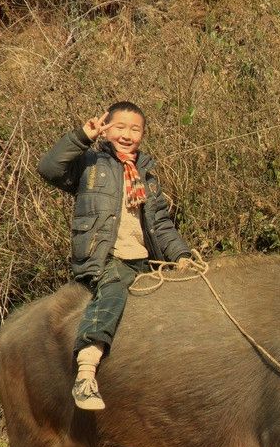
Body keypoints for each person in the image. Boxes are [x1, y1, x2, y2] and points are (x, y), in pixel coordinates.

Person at [37, 101, 193, 410]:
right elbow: (49, 168)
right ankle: (86, 370)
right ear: (106, 129)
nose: (127, 134)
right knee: (113, 291)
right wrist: (83, 136)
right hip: (106, 258)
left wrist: (181, 255)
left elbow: (161, 225)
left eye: (135, 129)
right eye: (119, 127)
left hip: (144, 261)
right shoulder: (90, 165)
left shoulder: (146, 176)